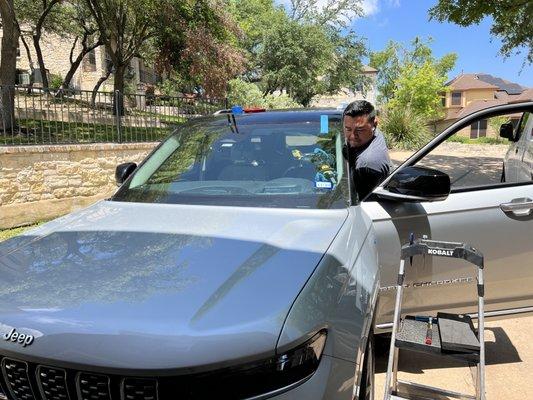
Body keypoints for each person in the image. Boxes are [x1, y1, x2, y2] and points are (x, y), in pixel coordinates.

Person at [342, 100, 391, 200]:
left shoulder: (366, 165)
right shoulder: (374, 134)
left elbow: (362, 208)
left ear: (375, 124)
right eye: (348, 129)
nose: (352, 136)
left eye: (359, 130)